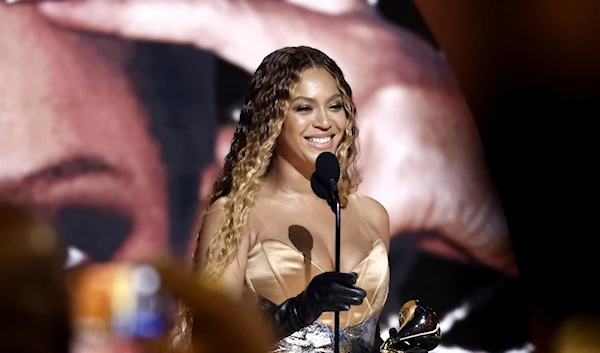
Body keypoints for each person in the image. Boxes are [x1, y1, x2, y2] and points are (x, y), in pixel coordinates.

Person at [179, 46, 391, 353]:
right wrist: (294, 312)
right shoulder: (236, 212)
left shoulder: (372, 215)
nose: (325, 122)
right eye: (304, 108)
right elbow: (211, 340)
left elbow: (362, 337)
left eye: (335, 106)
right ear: (271, 120)